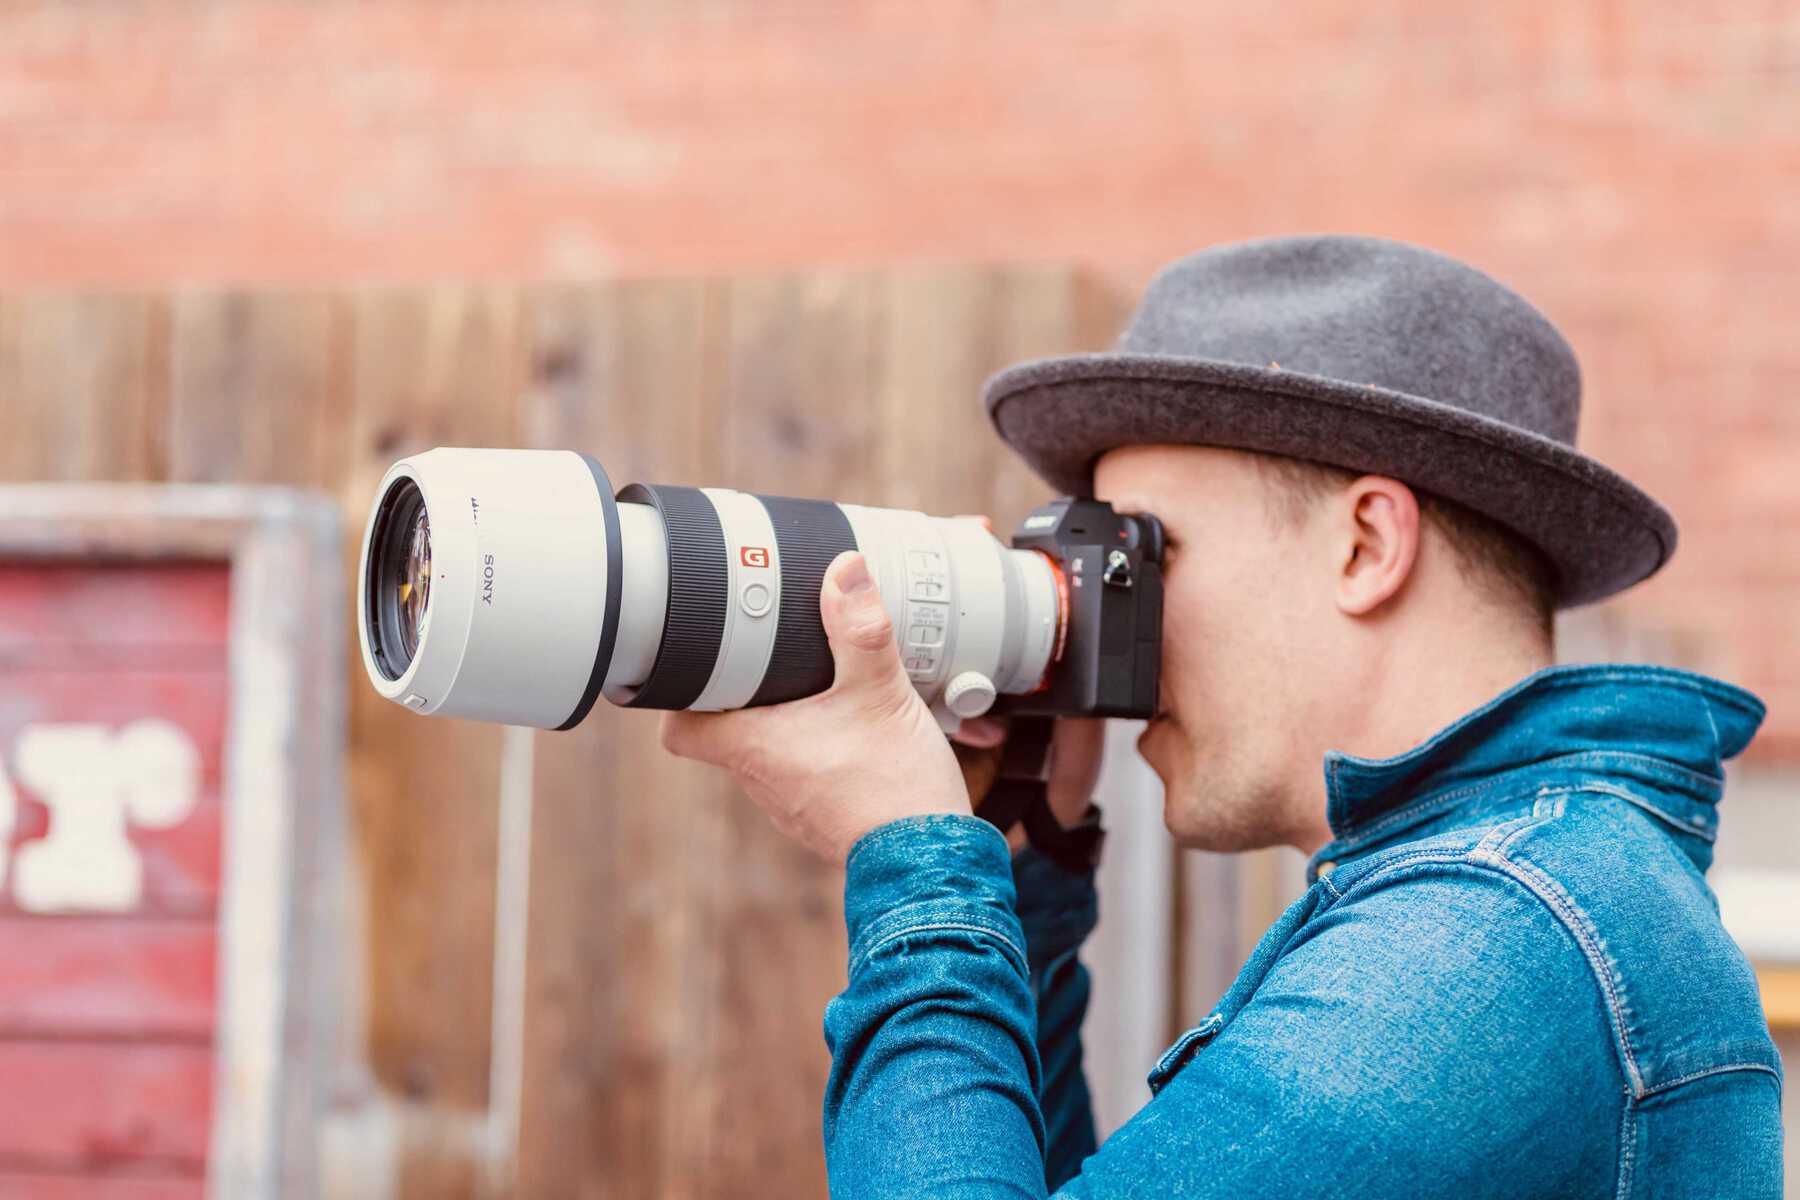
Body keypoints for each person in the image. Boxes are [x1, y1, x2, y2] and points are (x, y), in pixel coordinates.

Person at [659, 235, 1784, 1197]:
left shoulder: (1500, 945)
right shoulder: (1538, 892)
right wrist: (1020, 864)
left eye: (1147, 556)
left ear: (1366, 546)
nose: (1113, 640)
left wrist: (907, 857)